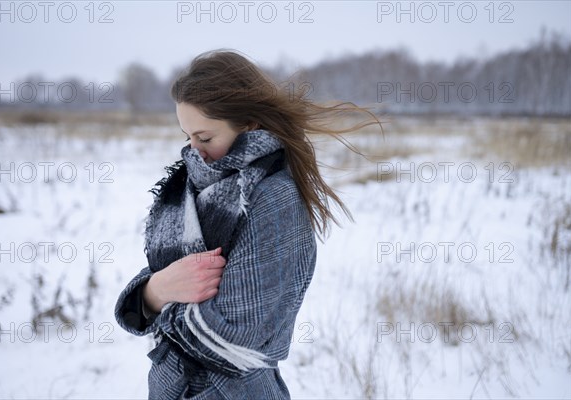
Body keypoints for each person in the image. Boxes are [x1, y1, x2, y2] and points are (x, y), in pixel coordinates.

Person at [114, 49, 380, 399]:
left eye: (205, 137)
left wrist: (161, 302)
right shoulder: (193, 189)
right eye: (187, 136)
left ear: (249, 124)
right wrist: (158, 289)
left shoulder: (273, 197)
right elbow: (141, 303)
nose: (194, 150)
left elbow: (235, 337)